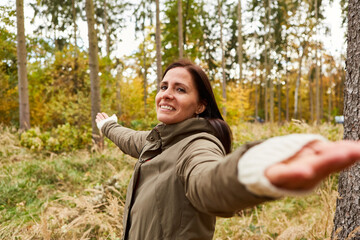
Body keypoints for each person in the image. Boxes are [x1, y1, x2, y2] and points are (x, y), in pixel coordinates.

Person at [96, 59, 360, 240]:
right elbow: (130, 139)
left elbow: (208, 181)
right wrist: (108, 126)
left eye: (180, 89)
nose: (166, 94)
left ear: (200, 105)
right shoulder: (158, 140)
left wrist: (250, 171)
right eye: (164, 86)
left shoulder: (198, 145)